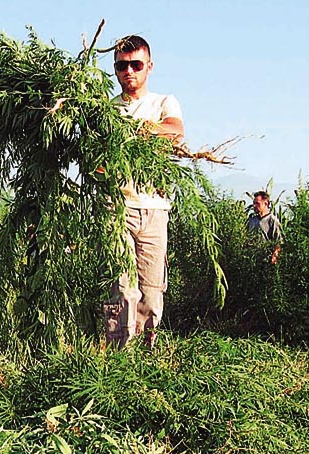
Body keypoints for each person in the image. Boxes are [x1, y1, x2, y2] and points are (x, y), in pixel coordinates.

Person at [103, 35, 184, 349]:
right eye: (122, 66)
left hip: (155, 209)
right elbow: (99, 161)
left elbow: (175, 132)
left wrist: (138, 131)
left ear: (149, 67)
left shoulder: (164, 103)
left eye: (136, 64)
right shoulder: (107, 111)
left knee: (151, 292)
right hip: (117, 208)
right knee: (121, 289)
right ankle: (118, 358)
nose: (129, 72)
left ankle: (145, 357)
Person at [247, 190, 283, 264]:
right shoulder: (252, 221)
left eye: (257, 203)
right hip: (252, 260)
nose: (254, 206)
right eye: (254, 203)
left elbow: (279, 241)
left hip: (266, 260)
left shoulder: (272, 220)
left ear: (266, 203)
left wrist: (274, 256)